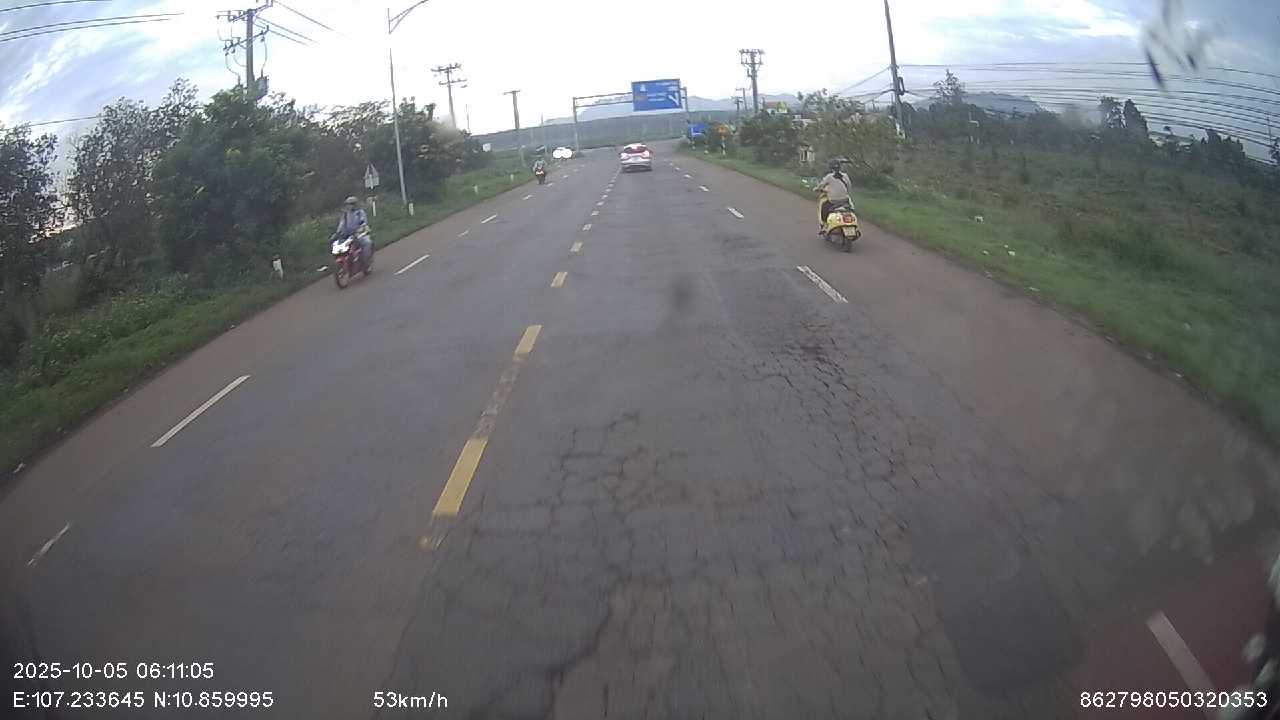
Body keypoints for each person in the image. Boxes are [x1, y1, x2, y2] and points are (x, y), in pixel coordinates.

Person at [331, 196, 372, 268]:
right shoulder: (345, 214)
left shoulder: (360, 212)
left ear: (355, 204)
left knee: (367, 243)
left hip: (359, 233)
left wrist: (360, 229)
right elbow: (342, 224)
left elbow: (363, 222)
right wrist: (337, 233)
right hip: (348, 235)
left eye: (351, 204)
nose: (350, 206)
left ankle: (366, 261)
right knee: (338, 246)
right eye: (348, 204)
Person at [814, 159, 853, 233]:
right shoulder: (845, 175)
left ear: (830, 167)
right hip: (844, 200)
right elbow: (849, 186)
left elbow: (821, 185)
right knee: (850, 209)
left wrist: (816, 189)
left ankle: (824, 225)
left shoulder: (829, 176)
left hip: (833, 201)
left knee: (824, 209)